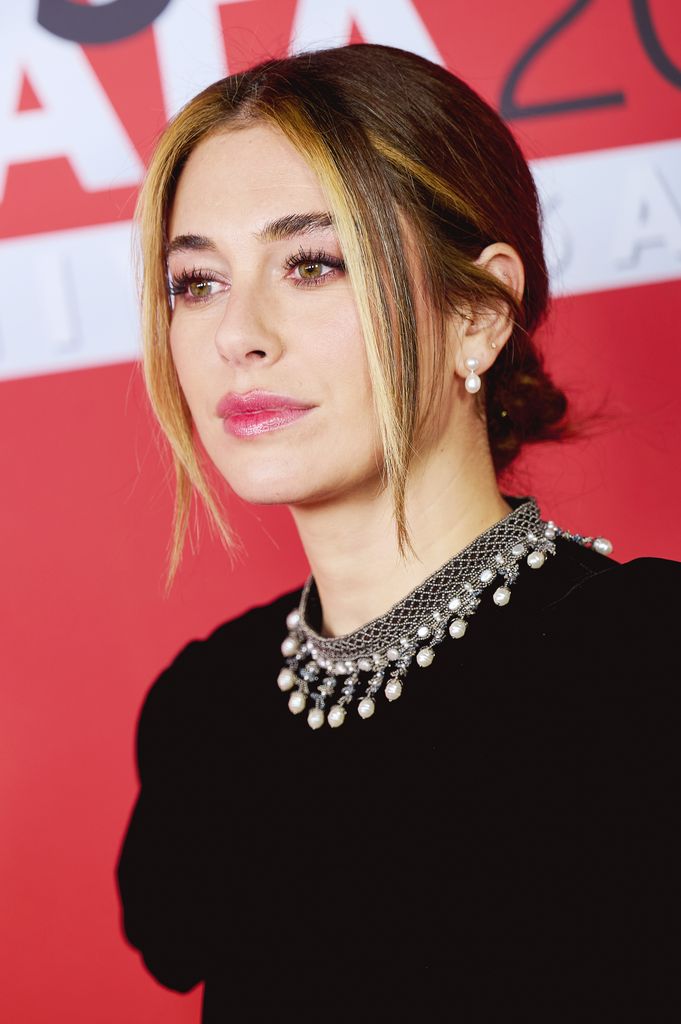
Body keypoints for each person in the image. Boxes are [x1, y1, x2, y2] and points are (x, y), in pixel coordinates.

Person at [116, 43, 679, 1021]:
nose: (237, 334)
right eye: (195, 282)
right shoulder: (206, 714)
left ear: (478, 311)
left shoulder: (646, 664)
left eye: (312, 263)